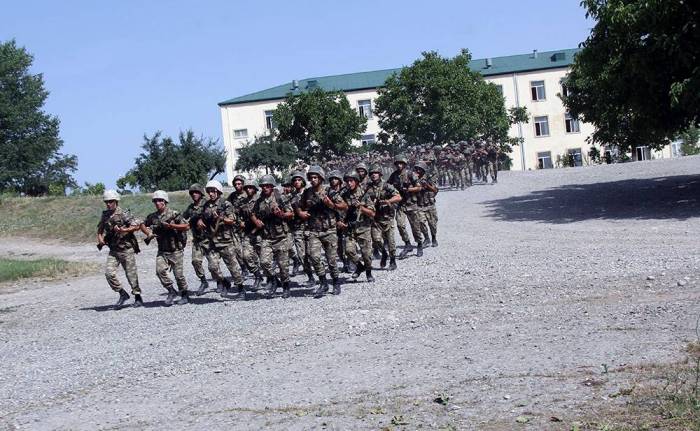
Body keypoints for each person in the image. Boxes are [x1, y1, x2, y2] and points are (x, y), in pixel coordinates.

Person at [297, 166, 347, 298]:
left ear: (320, 178)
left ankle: (336, 282)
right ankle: (323, 282)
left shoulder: (329, 191)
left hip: (329, 230)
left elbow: (344, 206)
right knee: (314, 257)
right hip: (314, 231)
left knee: (331, 260)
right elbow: (298, 205)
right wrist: (300, 213)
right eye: (311, 178)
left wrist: (332, 205)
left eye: (315, 177)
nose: (313, 180)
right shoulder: (307, 193)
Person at [97, 189, 144, 309]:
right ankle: (122, 293)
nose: (108, 204)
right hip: (113, 250)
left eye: (111, 201)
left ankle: (138, 297)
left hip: (126, 249)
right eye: (107, 202)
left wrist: (124, 230)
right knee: (109, 273)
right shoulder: (105, 215)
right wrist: (100, 239)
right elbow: (100, 229)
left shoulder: (123, 213)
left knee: (131, 275)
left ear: (116, 201)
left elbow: (136, 226)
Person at [143, 190, 191, 306]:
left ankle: (184, 294)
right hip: (162, 250)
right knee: (159, 271)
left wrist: (171, 226)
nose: (157, 203)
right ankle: (171, 291)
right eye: (155, 201)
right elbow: (142, 224)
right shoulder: (153, 217)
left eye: (160, 200)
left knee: (179, 276)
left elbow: (186, 226)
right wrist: (148, 233)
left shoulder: (174, 214)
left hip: (176, 250)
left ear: (165, 201)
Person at [251, 175, 294, 298]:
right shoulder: (259, 202)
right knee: (264, 262)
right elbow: (253, 213)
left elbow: (291, 213)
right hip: (267, 237)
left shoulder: (280, 198)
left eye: (267, 186)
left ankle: (286, 286)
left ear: (272, 186)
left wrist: (281, 215)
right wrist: (256, 221)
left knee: (283, 266)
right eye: (263, 186)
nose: (265, 188)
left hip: (281, 236)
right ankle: (274, 281)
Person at [201, 179, 245, 297]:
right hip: (212, 241)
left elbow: (232, 220)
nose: (210, 193)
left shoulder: (226, 204)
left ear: (218, 191)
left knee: (233, 267)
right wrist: (200, 221)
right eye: (209, 191)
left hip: (225, 240)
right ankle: (224, 282)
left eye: (213, 191)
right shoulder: (206, 205)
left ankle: (241, 288)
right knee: (212, 267)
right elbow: (203, 217)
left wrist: (221, 219)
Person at [339, 171, 376, 283]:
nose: (349, 183)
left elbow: (372, 213)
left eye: (351, 181)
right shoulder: (344, 195)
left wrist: (361, 207)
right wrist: (341, 222)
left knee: (366, 254)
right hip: (350, 228)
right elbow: (341, 211)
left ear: (356, 181)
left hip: (363, 228)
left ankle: (368, 272)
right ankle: (359, 266)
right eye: (347, 181)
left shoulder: (364, 195)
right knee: (349, 251)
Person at [366, 164, 402, 270]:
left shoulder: (387, 186)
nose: (373, 175)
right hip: (375, 219)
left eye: (376, 173)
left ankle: (392, 261)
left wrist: (387, 201)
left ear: (380, 174)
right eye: (372, 173)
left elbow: (398, 197)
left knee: (391, 241)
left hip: (388, 218)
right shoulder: (367, 188)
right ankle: (384, 254)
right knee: (376, 240)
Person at [388, 155, 425, 258]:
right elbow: (387, 186)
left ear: (404, 164)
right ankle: (407, 243)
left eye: (401, 163)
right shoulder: (394, 175)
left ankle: (419, 244)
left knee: (415, 227)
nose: (399, 165)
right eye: (397, 163)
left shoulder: (410, 174)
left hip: (411, 204)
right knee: (400, 225)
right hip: (401, 205)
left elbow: (419, 187)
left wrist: (408, 190)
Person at [182, 183, 211, 295]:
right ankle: (203, 281)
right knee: (195, 261)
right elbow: (183, 218)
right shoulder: (190, 208)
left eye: (196, 192)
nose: (194, 194)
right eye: (192, 193)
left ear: (201, 193)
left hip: (209, 239)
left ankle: (220, 282)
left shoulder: (207, 204)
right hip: (197, 240)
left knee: (213, 264)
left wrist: (199, 218)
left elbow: (209, 216)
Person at [414, 161, 439, 247]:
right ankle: (426, 238)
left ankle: (434, 238)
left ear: (423, 170)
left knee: (433, 224)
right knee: (421, 222)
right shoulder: (414, 179)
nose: (417, 171)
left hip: (430, 204)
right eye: (416, 169)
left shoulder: (430, 178)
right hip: (419, 205)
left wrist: (427, 185)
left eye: (419, 169)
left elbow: (435, 190)